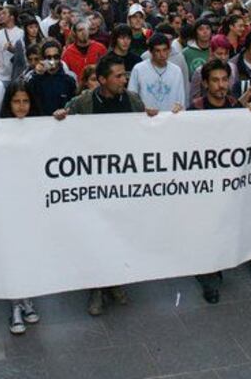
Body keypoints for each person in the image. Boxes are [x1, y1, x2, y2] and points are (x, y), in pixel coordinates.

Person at [53, 55, 154, 316]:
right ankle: (96, 288)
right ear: (102, 80)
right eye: (119, 76)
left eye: (125, 75)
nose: (124, 80)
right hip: (93, 182)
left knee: (119, 232)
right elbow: (63, 125)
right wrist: (61, 116)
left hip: (122, 182)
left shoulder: (131, 100)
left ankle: (115, 281)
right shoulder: (84, 102)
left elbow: (145, 129)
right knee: (96, 234)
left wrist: (153, 118)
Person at [189, 58, 251, 303]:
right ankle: (209, 279)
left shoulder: (235, 107)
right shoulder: (195, 110)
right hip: (204, 185)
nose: (221, 85)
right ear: (206, 84)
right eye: (215, 81)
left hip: (230, 183)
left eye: (224, 80)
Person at [0, 83, 42, 333]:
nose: (21, 106)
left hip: (32, 201)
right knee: (13, 252)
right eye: (16, 102)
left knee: (29, 251)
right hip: (9, 201)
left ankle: (27, 298)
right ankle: (15, 304)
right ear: (9, 104)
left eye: (26, 101)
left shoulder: (38, 127)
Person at [128, 34, 185, 113]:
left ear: (169, 50)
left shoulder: (176, 71)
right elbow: (132, 97)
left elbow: (180, 99)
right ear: (151, 52)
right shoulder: (138, 69)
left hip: (170, 119)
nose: (162, 54)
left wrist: (179, 108)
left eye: (165, 50)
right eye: (158, 51)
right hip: (145, 119)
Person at [25, 40, 77, 116]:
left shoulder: (69, 79)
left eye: (56, 57)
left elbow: (74, 105)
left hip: (63, 121)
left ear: (60, 57)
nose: (52, 61)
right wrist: (37, 75)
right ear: (43, 58)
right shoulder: (34, 78)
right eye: (48, 57)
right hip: (40, 122)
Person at [0, 5, 26, 85]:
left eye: (4, 13)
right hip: (0, 77)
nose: (1, 16)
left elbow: (25, 54)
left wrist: (14, 50)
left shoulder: (21, 33)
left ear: (12, 17)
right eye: (0, 14)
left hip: (17, 75)